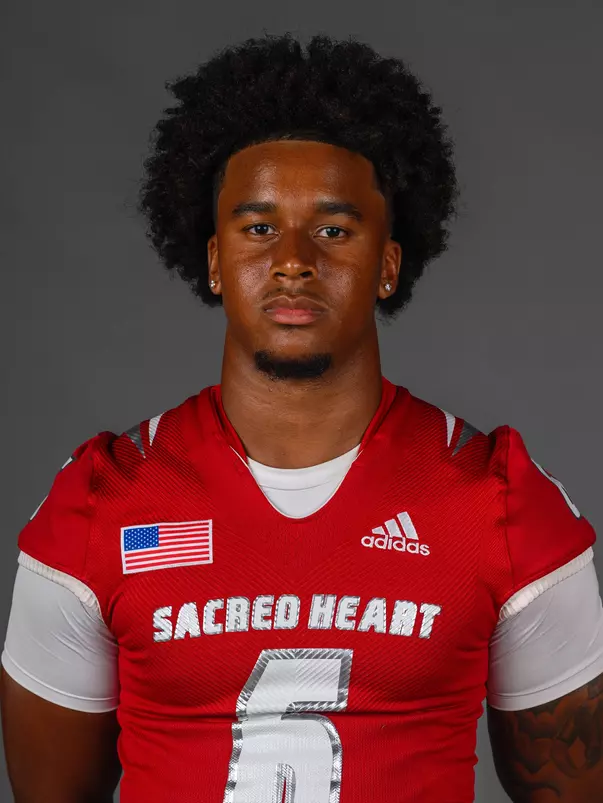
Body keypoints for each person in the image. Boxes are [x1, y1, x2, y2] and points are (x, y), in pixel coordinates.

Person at [1, 32, 602, 803]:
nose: (292, 258)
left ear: (388, 261)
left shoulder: (503, 502)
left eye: (332, 229)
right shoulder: (98, 502)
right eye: (257, 228)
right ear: (214, 259)